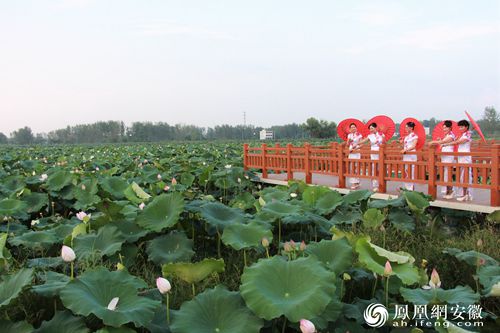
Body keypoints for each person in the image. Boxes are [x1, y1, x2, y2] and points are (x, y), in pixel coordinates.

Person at [447, 119, 473, 201]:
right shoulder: (464, 134)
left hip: (465, 157)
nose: (460, 128)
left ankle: (466, 194)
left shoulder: (468, 134)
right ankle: (464, 194)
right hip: (461, 156)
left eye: (462, 127)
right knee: (462, 176)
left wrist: (447, 143)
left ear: (466, 127)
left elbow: (461, 142)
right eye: (459, 127)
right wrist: (456, 140)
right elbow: (458, 141)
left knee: (465, 175)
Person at [429, 120, 456, 199]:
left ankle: (451, 191)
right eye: (443, 128)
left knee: (448, 173)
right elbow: (442, 141)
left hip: (448, 155)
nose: (444, 129)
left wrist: (433, 142)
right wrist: (438, 140)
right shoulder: (446, 135)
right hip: (444, 155)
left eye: (446, 128)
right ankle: (448, 191)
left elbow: (443, 142)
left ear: (450, 128)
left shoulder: (451, 136)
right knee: (445, 173)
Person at [358, 123, 384, 192]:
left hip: (381, 153)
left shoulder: (382, 135)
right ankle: (375, 185)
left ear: (376, 128)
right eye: (370, 129)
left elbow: (385, 143)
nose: (371, 130)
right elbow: (362, 142)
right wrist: (357, 141)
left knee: (380, 168)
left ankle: (381, 184)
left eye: (372, 128)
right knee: (374, 168)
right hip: (374, 153)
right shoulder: (370, 136)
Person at [399, 122, 419, 191]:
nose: (406, 129)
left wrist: (406, 150)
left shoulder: (415, 136)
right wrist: (401, 143)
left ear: (411, 128)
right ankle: (406, 187)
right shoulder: (406, 137)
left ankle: (411, 188)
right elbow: (404, 146)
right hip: (406, 155)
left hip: (411, 155)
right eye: (405, 127)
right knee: (406, 171)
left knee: (411, 172)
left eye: (407, 127)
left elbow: (413, 146)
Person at [347, 123, 363, 189]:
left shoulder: (359, 135)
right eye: (352, 127)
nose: (353, 128)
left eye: (354, 127)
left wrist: (355, 148)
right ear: (350, 129)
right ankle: (354, 183)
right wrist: (349, 142)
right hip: (351, 152)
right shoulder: (349, 135)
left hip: (356, 152)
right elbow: (347, 144)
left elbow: (362, 144)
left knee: (356, 166)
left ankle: (356, 182)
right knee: (351, 167)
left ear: (356, 128)